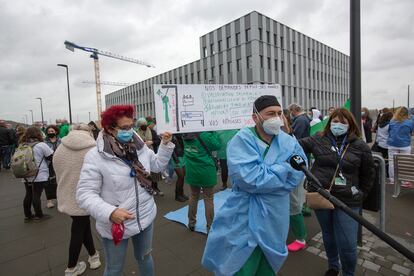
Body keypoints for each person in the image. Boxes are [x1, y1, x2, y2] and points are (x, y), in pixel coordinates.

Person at [202, 95, 306, 275]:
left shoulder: (288, 141)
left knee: (267, 264)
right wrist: (284, 168)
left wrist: (268, 172)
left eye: (279, 113)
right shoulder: (241, 140)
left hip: (276, 215)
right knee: (241, 263)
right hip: (244, 215)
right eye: (270, 113)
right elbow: (251, 179)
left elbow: (299, 171)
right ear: (255, 117)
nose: (276, 118)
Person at [76, 105, 174, 276]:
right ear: (109, 128)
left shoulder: (139, 146)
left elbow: (157, 165)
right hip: (115, 223)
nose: (130, 131)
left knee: (145, 258)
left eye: (131, 126)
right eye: (124, 128)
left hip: (145, 216)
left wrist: (165, 145)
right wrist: (110, 212)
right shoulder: (96, 156)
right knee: (114, 268)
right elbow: (84, 193)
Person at [299, 108, 375, 276]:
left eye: (343, 122)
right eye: (335, 121)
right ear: (329, 122)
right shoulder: (319, 138)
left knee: (348, 243)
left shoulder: (360, 146)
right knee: (328, 235)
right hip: (321, 195)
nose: (338, 125)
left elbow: (368, 174)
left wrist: (361, 194)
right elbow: (294, 144)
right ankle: (333, 266)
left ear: (350, 125)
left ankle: (348, 273)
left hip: (348, 200)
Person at [54, 124, 101, 276]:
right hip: (86, 195)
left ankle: (93, 255)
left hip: (67, 195)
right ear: (89, 133)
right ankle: (71, 267)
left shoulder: (60, 148)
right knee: (78, 229)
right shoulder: (93, 149)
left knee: (82, 225)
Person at [281, 110, 308, 252]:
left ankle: (300, 238)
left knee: (293, 206)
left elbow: (299, 161)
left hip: (291, 180)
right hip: (280, 181)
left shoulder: (290, 140)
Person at [184, 131, 220, 232]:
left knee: (193, 196)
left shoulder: (185, 134)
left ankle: (191, 222)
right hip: (206, 170)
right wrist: (213, 132)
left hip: (191, 170)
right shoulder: (206, 135)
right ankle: (210, 226)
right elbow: (217, 145)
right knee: (208, 198)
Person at [21, 127, 54, 222]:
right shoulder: (41, 145)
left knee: (28, 194)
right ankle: (39, 215)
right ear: (38, 134)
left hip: (26, 173)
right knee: (37, 194)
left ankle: (28, 215)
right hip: (39, 174)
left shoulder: (22, 145)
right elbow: (51, 157)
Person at [288, 103, 312, 217]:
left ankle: (301, 206)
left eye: (290, 111)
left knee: (300, 182)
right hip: (303, 151)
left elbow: (296, 135)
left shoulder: (300, 120)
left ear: (294, 110)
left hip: (300, 152)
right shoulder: (303, 118)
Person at [387, 107, 414, 186]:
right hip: (404, 145)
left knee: (391, 162)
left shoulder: (392, 121)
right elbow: (411, 132)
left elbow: (389, 132)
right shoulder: (410, 122)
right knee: (404, 162)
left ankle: (392, 180)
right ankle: (404, 181)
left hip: (392, 144)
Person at [145, 116, 163, 196]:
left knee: (155, 172)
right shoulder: (138, 132)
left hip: (153, 152)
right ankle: (149, 187)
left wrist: (151, 142)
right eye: (152, 123)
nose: (153, 125)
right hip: (144, 155)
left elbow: (158, 140)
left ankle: (156, 187)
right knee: (147, 172)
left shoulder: (152, 131)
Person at [44, 125, 61, 208]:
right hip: (48, 164)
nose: (51, 133)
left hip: (59, 163)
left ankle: (60, 199)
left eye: (52, 131)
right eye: (49, 131)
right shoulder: (44, 142)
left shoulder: (61, 141)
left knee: (59, 181)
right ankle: (49, 201)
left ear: (56, 132)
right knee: (48, 182)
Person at [372, 111, 393, 177]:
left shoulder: (379, 125)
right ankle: (387, 175)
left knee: (382, 160)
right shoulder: (389, 125)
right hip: (387, 145)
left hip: (380, 144)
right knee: (388, 162)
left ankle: (381, 174)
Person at [171, 134, 188, 202]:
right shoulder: (171, 135)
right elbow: (171, 149)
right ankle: (177, 195)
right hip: (176, 158)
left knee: (183, 176)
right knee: (180, 176)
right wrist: (175, 160)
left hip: (182, 155)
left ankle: (181, 193)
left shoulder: (181, 134)